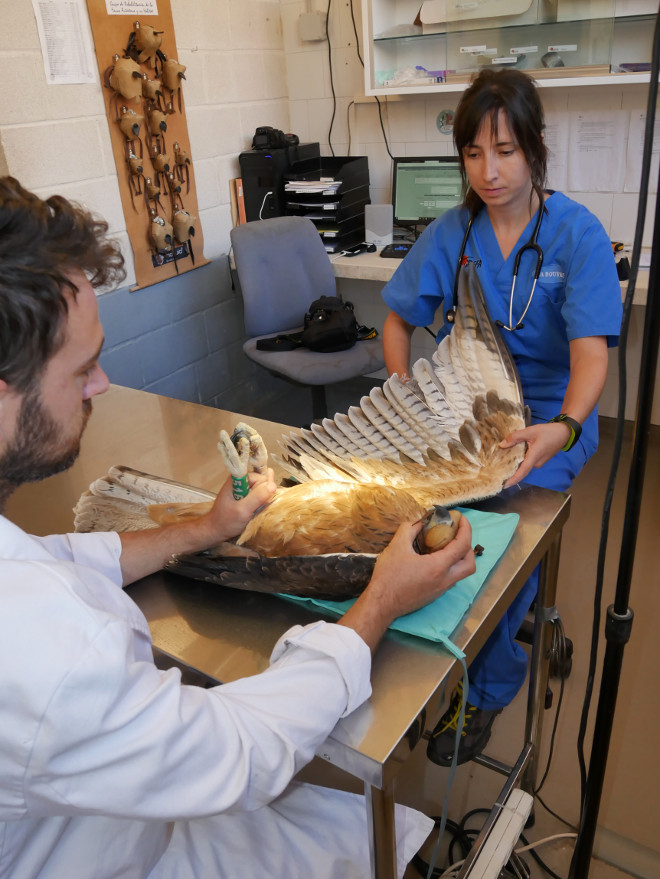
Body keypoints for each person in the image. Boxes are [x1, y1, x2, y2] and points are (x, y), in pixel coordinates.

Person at [0, 175, 477, 879]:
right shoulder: (44, 649)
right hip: (105, 854)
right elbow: (239, 750)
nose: (102, 384)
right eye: (83, 369)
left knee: (359, 828)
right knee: (363, 836)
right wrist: (380, 601)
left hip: (97, 813)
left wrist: (203, 527)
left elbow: (55, 557)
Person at [381, 68, 622, 767]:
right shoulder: (454, 234)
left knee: (504, 516)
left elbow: (590, 359)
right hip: (469, 411)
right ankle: (415, 635)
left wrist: (566, 426)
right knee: (413, 499)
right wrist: (405, 395)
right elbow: (398, 320)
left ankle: (488, 682)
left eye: (506, 151)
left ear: (536, 147)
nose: (489, 171)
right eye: (474, 153)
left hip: (550, 413)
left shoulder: (576, 234)